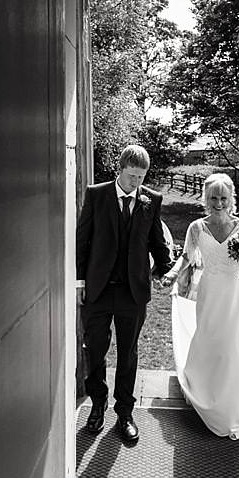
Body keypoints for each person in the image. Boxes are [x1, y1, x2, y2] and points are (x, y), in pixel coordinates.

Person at [76, 144, 173, 444]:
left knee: (128, 354)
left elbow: (157, 242)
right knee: (95, 350)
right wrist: (80, 281)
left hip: (133, 293)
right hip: (98, 290)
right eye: (132, 176)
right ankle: (98, 404)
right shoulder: (96, 194)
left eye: (141, 177)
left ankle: (125, 412)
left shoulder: (151, 200)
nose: (136, 183)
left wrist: (166, 271)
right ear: (120, 170)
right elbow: (82, 240)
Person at [161, 173, 239, 440]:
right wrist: (173, 274)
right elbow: (186, 256)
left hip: (237, 295)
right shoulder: (196, 227)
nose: (218, 203)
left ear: (231, 199)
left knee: (233, 345)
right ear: (206, 199)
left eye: (223, 197)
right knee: (210, 340)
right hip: (211, 292)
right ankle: (207, 389)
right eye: (213, 198)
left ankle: (231, 401)